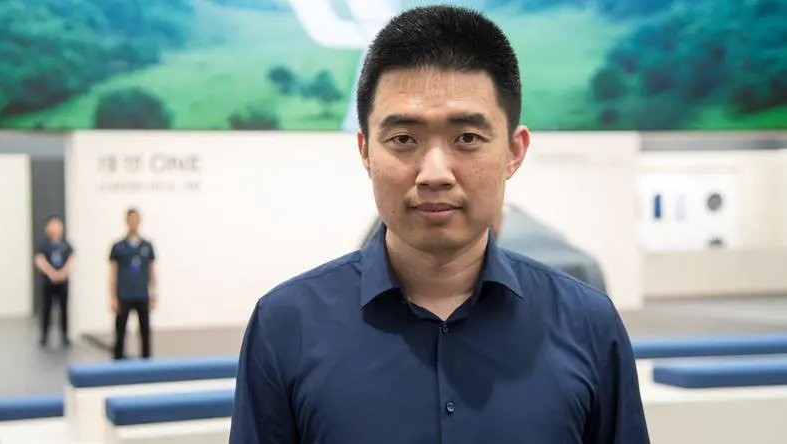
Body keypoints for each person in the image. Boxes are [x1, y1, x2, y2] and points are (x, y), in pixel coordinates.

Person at [230, 5, 649, 443]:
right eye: (403, 139)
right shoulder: (286, 326)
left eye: (467, 138)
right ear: (366, 151)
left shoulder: (587, 323)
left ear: (513, 152)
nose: (434, 173)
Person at [109, 208, 157, 360]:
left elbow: (152, 271)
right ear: (126, 221)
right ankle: (118, 361)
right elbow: (112, 273)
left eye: (136, 220)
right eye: (131, 220)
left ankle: (146, 361)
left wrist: (153, 294)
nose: (133, 223)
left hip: (142, 294)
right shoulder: (118, 247)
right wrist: (113, 297)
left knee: (145, 331)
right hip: (124, 294)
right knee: (120, 331)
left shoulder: (147, 246)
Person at [34, 215, 74, 347]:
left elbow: (71, 260)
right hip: (48, 282)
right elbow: (39, 260)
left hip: (63, 282)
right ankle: (44, 335)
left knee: (64, 309)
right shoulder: (44, 245)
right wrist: (51, 273)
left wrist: (62, 273)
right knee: (46, 308)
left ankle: (65, 335)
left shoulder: (66, 245)